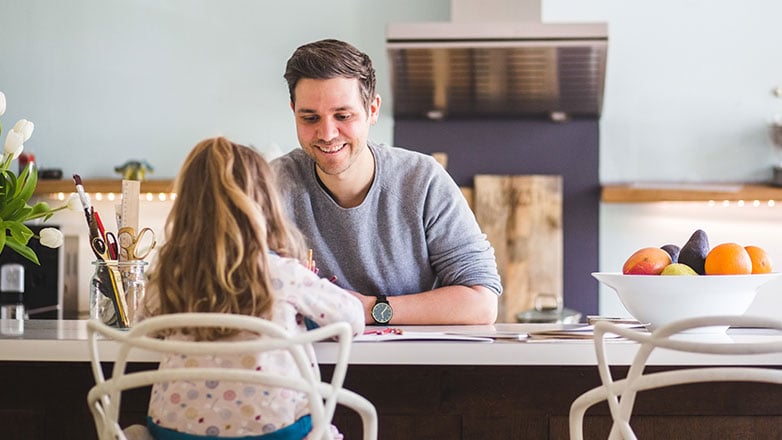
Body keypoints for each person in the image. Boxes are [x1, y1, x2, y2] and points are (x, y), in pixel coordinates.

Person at [140, 137, 364, 439]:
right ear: (265, 204)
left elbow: (145, 329)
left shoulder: (168, 271)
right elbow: (352, 318)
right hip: (278, 431)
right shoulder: (284, 274)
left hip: (175, 432)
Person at [271, 39, 502, 326]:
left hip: (411, 365)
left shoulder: (422, 180)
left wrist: (369, 309)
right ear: (294, 111)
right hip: (308, 367)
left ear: (373, 109)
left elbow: (482, 302)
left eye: (343, 116)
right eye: (310, 118)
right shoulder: (271, 185)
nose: (327, 133)